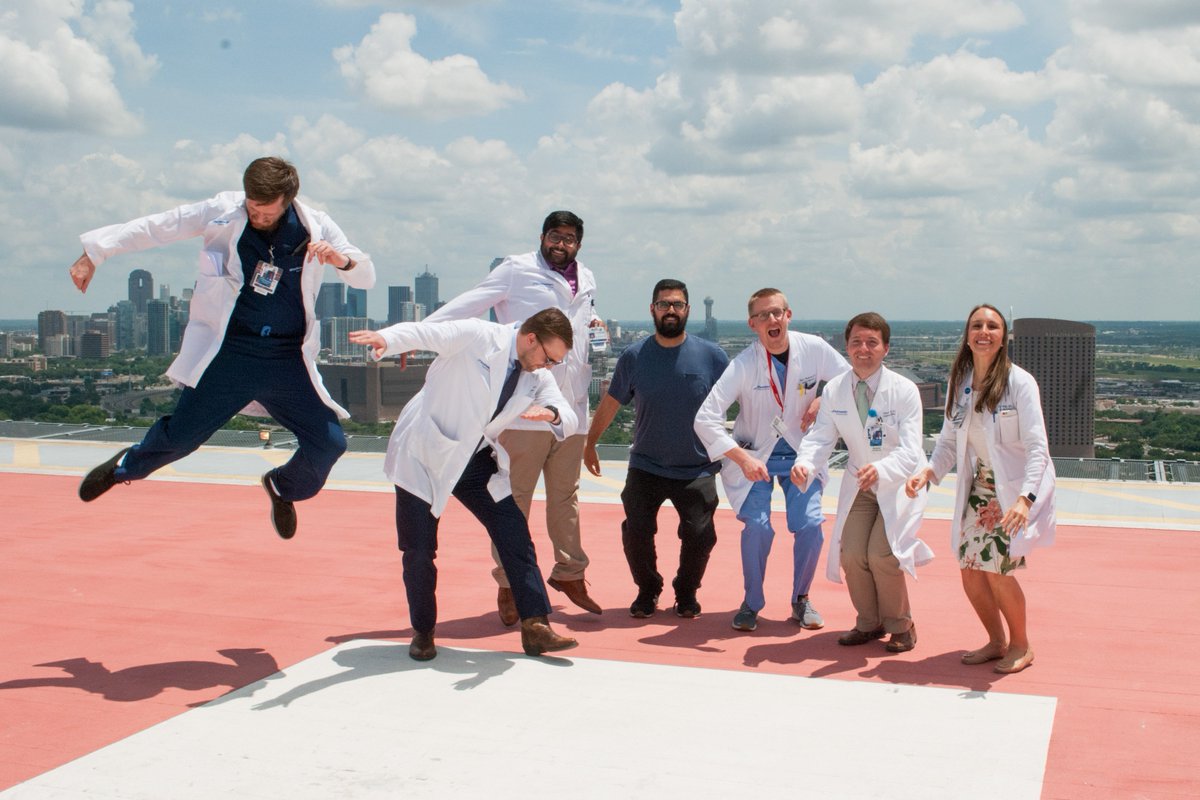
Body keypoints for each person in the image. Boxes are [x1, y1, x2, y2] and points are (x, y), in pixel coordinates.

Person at [70, 156, 374, 539]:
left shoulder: (318, 225)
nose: (257, 215)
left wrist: (341, 260)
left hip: (286, 361)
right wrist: (94, 252)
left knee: (329, 442)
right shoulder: (222, 212)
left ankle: (283, 486)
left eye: (265, 210)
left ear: (287, 199)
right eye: (251, 206)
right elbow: (158, 227)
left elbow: (366, 276)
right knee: (180, 438)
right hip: (230, 355)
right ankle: (123, 468)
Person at [348, 309, 580, 661]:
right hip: (424, 453)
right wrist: (388, 340)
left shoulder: (536, 375)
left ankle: (535, 625)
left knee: (513, 529)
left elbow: (566, 411)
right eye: (549, 357)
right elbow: (427, 334)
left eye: (555, 363)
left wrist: (552, 415)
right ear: (531, 338)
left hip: (474, 458)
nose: (548, 367)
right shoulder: (478, 337)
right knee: (419, 550)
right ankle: (423, 632)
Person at [425, 211, 603, 624]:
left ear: (579, 243)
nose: (562, 244)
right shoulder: (515, 269)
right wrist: (422, 336)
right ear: (542, 237)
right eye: (555, 236)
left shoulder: (588, 278)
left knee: (565, 497)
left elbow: (580, 327)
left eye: (570, 239)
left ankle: (570, 573)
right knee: (514, 499)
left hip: (570, 406)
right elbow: (467, 305)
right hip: (525, 408)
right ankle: (507, 584)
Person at [905, 304, 1056, 674]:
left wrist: (1025, 499)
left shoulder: (1019, 382)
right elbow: (948, 442)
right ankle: (995, 640)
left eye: (992, 326)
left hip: (1013, 492)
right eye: (977, 325)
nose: (983, 331)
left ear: (1003, 337)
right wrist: (928, 471)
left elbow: (1038, 447)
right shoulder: (962, 381)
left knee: (999, 570)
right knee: (970, 568)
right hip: (979, 489)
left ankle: (1022, 644)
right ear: (967, 334)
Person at [694, 288, 849, 632]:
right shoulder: (745, 365)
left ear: (788, 316)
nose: (772, 320)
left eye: (777, 313)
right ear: (753, 324)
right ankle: (752, 602)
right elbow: (704, 418)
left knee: (810, 525)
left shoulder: (814, 349)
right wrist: (741, 459)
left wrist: (823, 398)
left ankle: (801, 599)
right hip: (756, 456)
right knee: (758, 527)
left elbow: (848, 379)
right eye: (763, 316)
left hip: (801, 453)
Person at [583, 279, 729, 618]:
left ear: (688, 310)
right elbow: (611, 402)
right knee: (636, 534)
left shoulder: (713, 356)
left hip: (697, 467)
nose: (671, 310)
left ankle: (686, 591)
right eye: (664, 304)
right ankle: (648, 590)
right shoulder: (634, 357)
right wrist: (590, 442)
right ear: (652, 309)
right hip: (646, 465)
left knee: (701, 536)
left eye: (677, 304)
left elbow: (741, 397)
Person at [791, 313, 933, 652]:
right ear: (847, 346)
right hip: (860, 484)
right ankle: (869, 622)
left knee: (883, 554)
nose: (863, 349)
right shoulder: (837, 390)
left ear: (885, 348)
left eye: (872, 342)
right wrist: (804, 464)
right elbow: (820, 437)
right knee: (852, 554)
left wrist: (882, 470)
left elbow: (912, 450)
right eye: (856, 342)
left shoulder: (904, 391)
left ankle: (902, 625)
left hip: (901, 483)